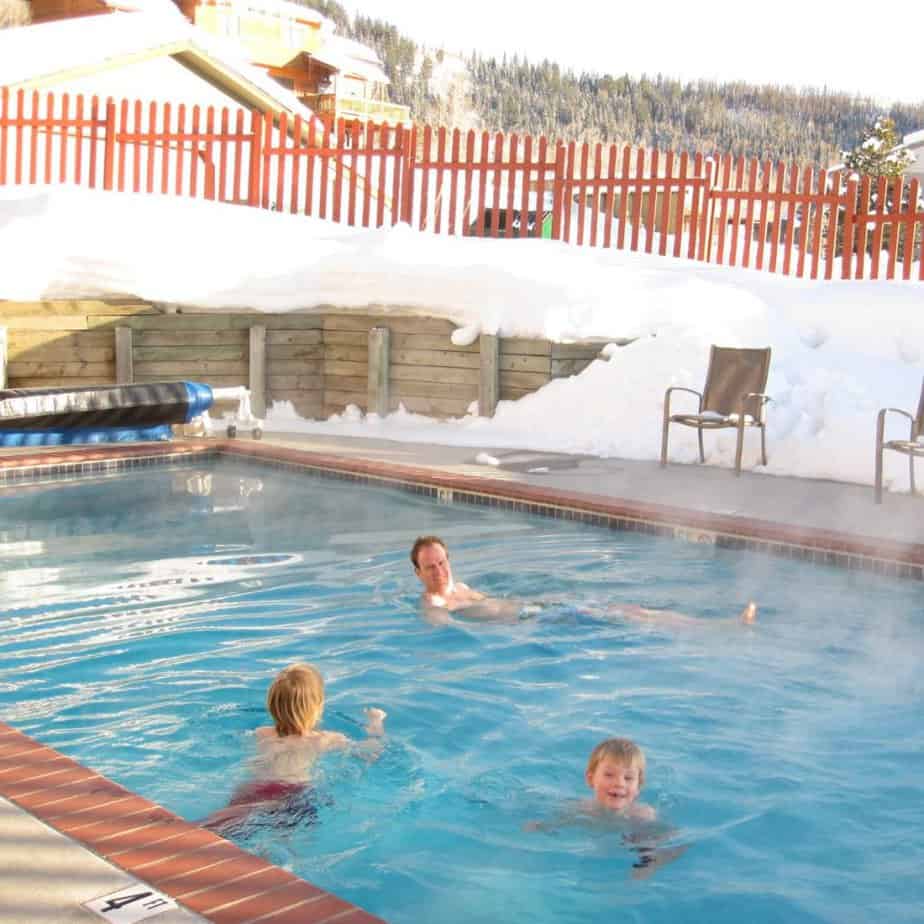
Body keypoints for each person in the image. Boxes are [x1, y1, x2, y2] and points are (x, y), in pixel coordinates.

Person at [410, 535, 757, 626]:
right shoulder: (435, 602)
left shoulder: (462, 588)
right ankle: (718, 627)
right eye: (430, 567)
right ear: (418, 573)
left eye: (442, 562)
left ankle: (710, 625)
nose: (439, 571)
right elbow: (440, 622)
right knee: (623, 614)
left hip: (536, 610)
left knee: (626, 609)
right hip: (531, 620)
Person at [201, 663, 386, 832]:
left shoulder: (261, 733)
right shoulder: (325, 739)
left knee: (220, 828)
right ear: (317, 706)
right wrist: (376, 721)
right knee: (282, 841)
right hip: (292, 794)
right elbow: (371, 752)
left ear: (272, 704)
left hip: (252, 790)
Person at [528, 737, 687, 878]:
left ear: (639, 786)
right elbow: (560, 820)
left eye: (628, 778)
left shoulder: (642, 815)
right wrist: (542, 826)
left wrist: (649, 864)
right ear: (591, 779)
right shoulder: (582, 809)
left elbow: (671, 839)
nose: (619, 783)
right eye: (609, 775)